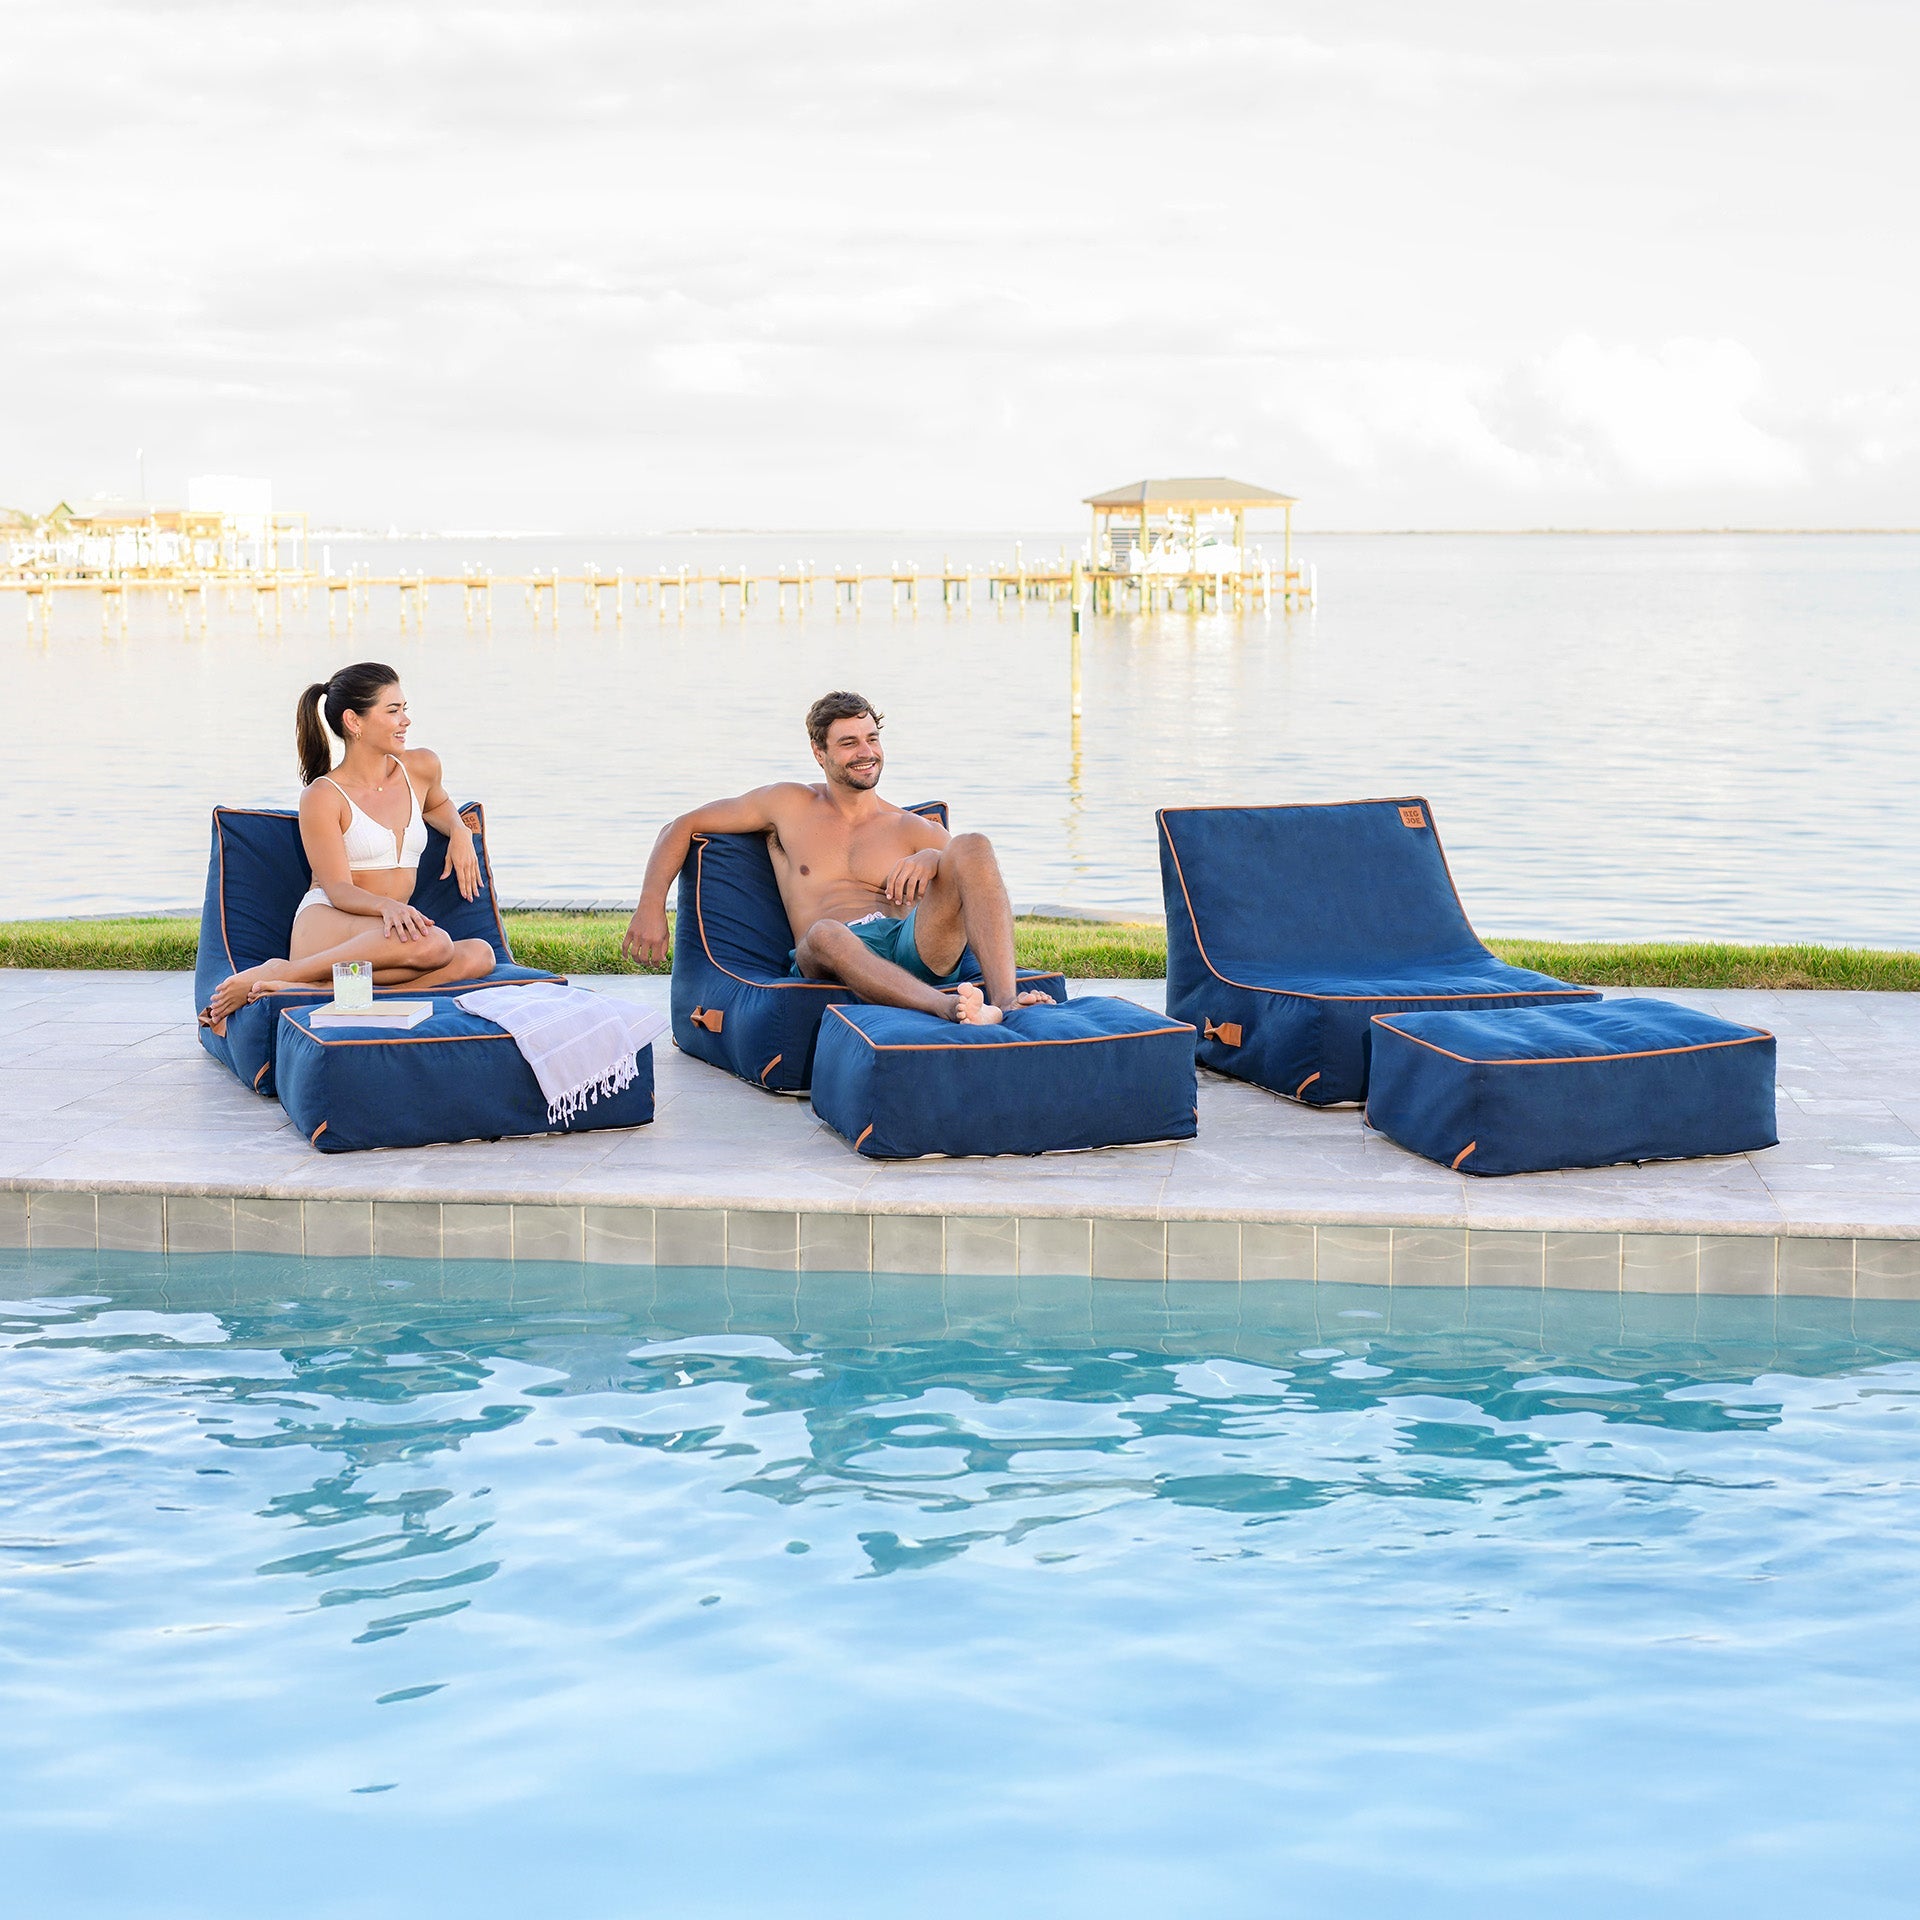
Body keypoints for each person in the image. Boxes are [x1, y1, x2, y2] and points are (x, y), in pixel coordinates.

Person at [622, 690, 1054, 1025]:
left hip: (910, 946)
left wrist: (931, 857)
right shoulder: (787, 804)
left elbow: (979, 878)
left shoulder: (910, 827)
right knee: (827, 932)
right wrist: (650, 908)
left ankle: (1005, 1003)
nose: (866, 753)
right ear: (819, 752)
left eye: (872, 739)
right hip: (828, 948)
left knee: (973, 842)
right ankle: (946, 1010)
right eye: (849, 743)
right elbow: (681, 826)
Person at [202, 663, 497, 1029]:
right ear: (354, 722)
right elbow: (338, 888)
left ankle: (316, 986)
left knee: (479, 955)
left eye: (405, 709)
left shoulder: (421, 767)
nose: (405, 721)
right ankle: (289, 970)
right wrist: (388, 906)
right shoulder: (324, 795)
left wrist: (459, 831)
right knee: (435, 945)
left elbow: (437, 804)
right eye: (393, 711)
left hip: (384, 936)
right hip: (329, 925)